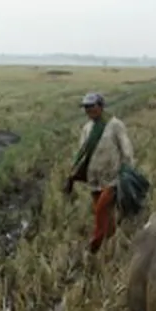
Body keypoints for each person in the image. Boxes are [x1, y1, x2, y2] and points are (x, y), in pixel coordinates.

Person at [63, 92, 136, 253]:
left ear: (101, 106)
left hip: (112, 177)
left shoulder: (114, 125)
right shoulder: (87, 128)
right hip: (94, 178)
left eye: (92, 106)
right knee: (106, 215)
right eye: (86, 107)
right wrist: (73, 173)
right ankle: (111, 246)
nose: (89, 110)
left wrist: (127, 169)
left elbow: (126, 148)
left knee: (101, 210)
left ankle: (95, 243)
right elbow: (82, 153)